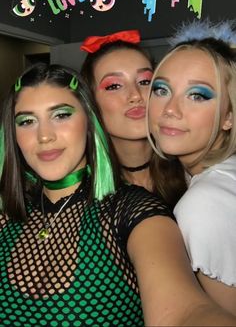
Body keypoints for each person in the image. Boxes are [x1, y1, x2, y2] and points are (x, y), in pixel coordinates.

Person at [1, 64, 236, 326]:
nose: (44, 136)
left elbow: (183, 313)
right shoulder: (6, 218)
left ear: (89, 122)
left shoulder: (133, 212)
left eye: (61, 115)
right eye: (27, 121)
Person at [147, 19, 236, 316]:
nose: (170, 109)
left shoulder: (202, 205)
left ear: (229, 117)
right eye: (161, 90)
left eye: (197, 95)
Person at [81, 29, 186, 208]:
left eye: (145, 82)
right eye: (114, 85)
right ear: (91, 102)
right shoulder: (80, 191)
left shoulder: (192, 172)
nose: (135, 95)